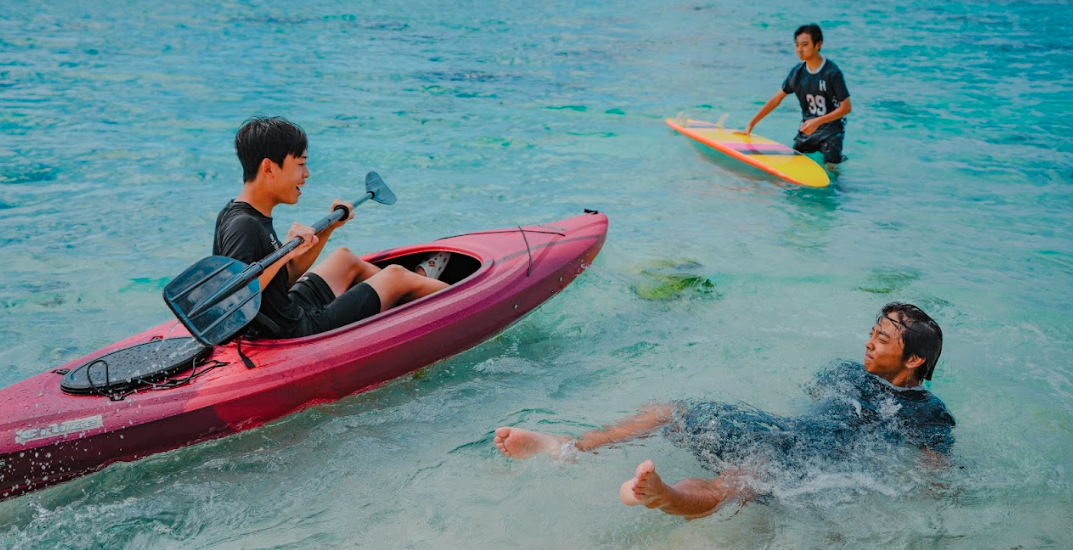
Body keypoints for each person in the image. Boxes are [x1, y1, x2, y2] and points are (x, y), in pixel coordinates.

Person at [494, 302, 954, 520]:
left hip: (812, 462)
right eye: (872, 331)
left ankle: (667, 495)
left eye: (882, 339)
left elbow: (937, 472)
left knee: (739, 479)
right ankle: (568, 447)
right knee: (672, 409)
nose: (868, 342)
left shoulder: (928, 413)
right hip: (778, 430)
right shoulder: (844, 371)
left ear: (913, 359)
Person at [213, 116, 450, 339]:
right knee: (395, 276)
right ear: (269, 168)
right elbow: (235, 301)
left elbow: (279, 281)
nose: (306, 174)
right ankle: (464, 298)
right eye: (300, 164)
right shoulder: (244, 226)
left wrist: (328, 229)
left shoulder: (239, 212)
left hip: (286, 311)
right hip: (291, 333)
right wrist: (285, 251)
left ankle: (417, 295)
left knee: (344, 258)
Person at [739, 24, 852, 166]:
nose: (799, 49)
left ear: (818, 45)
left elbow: (846, 107)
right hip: (807, 130)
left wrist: (818, 121)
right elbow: (776, 99)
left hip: (831, 132)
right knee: (794, 164)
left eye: (804, 45)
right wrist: (751, 124)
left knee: (831, 171)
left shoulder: (832, 73)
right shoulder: (797, 73)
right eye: (797, 45)